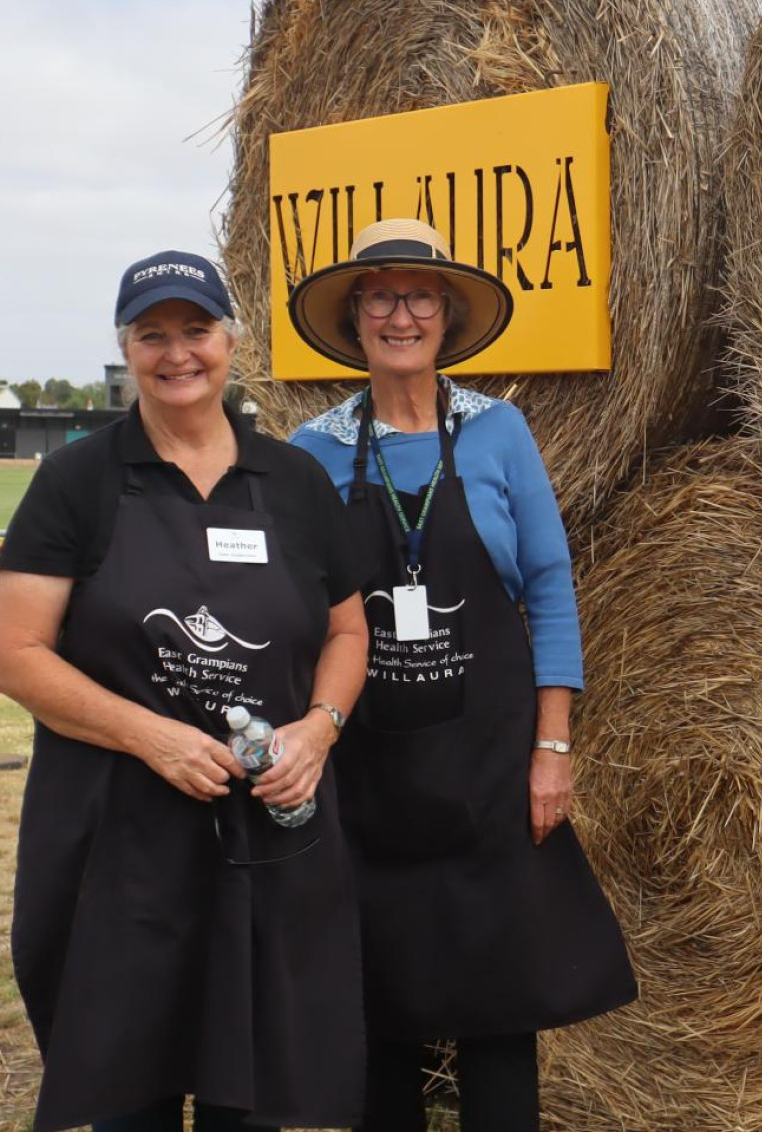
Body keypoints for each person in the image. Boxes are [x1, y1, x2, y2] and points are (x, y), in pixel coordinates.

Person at [0, 250, 369, 1132]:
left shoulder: (294, 482)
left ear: (230, 340)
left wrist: (318, 729)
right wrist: (148, 734)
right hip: (118, 833)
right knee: (132, 1087)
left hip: (265, 830)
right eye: (152, 334)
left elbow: (350, 630)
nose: (177, 353)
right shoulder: (77, 481)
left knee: (255, 1090)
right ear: (126, 347)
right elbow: (16, 655)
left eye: (195, 329)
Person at [288, 219, 636, 1131]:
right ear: (355, 317)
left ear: (445, 314)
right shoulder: (310, 451)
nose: (400, 314)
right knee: (379, 1004)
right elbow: (295, 613)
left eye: (419, 296)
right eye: (380, 296)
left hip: (489, 768)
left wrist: (552, 746)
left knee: (499, 1005)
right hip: (366, 774)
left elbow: (551, 588)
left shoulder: (499, 432)